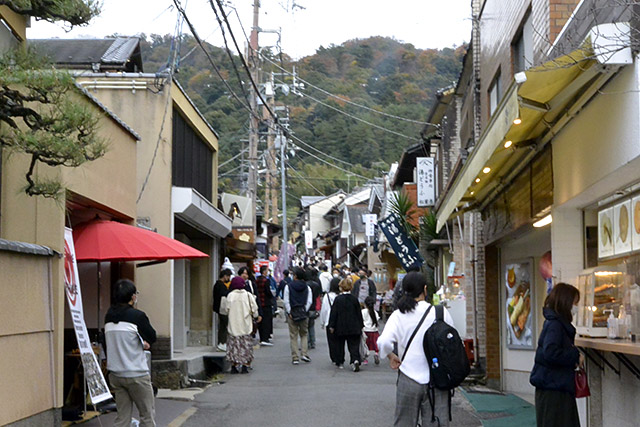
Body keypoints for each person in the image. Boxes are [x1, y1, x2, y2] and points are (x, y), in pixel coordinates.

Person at [377, 272, 455, 426]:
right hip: (437, 379)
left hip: (408, 377)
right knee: (437, 423)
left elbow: (384, 342)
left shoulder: (399, 315)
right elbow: (452, 341)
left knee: (404, 423)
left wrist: (391, 356)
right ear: (425, 289)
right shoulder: (440, 312)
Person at [104, 279, 157, 427]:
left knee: (122, 419)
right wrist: (144, 343)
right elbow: (152, 336)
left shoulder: (108, 317)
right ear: (133, 297)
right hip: (136, 374)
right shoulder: (137, 316)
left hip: (116, 374)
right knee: (147, 416)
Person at [530, 283, 583, 427]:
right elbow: (550, 352)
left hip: (552, 385)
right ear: (566, 302)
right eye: (574, 302)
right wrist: (574, 355)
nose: (576, 307)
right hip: (554, 389)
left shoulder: (554, 322)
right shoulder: (556, 325)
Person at [220, 276, 261, 374]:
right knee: (245, 346)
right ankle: (245, 366)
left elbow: (225, 311)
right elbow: (254, 310)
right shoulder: (248, 295)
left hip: (233, 327)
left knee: (234, 347)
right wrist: (255, 316)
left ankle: (234, 365)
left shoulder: (230, 296)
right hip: (246, 326)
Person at [328, 276, 364, 372]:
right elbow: (358, 313)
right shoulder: (354, 299)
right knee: (354, 345)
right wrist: (361, 325)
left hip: (341, 326)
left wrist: (332, 325)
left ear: (341, 288)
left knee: (340, 345)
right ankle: (355, 359)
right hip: (354, 326)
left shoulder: (338, 299)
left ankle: (340, 361)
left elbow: (334, 313)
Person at [284, 267, 312, 365]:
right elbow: (309, 301)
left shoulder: (288, 287)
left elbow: (286, 300)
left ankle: (295, 357)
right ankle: (304, 353)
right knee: (304, 334)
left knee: (293, 336)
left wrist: (289, 312)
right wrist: (304, 310)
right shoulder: (307, 287)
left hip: (293, 313)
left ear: (295, 276)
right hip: (303, 313)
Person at [320, 278, 341, 366]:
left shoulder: (327, 296)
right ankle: (340, 357)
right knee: (339, 340)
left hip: (329, 320)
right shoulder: (340, 296)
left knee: (331, 340)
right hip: (339, 321)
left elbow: (324, 310)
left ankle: (334, 357)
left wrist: (322, 322)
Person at [213, 268, 232, 352]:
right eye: (228, 276)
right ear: (225, 276)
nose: (229, 278)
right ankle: (222, 343)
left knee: (223, 325)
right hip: (222, 308)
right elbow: (224, 295)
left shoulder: (218, 284)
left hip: (219, 307)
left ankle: (222, 343)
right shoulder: (220, 285)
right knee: (224, 325)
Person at [256, 265, 275, 346]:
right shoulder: (266, 281)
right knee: (267, 321)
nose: (268, 272)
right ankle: (265, 338)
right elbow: (268, 292)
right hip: (266, 303)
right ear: (264, 271)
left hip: (259, 302)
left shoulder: (257, 280)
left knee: (260, 320)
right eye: (267, 270)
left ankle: (261, 337)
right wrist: (272, 296)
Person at [362, 295, 381, 365]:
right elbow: (377, 320)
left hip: (365, 331)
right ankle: (376, 353)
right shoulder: (375, 312)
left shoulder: (363, 312)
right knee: (375, 344)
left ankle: (365, 359)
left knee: (365, 345)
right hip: (374, 331)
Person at [306, 268, 323, 349]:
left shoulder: (306, 285)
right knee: (311, 325)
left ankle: (308, 342)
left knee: (306, 326)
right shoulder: (316, 284)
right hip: (313, 306)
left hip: (306, 307)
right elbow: (318, 295)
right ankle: (313, 342)